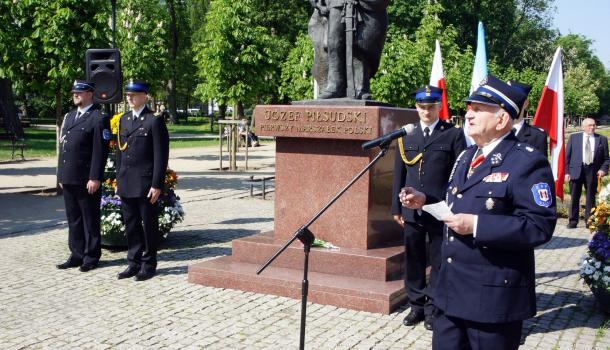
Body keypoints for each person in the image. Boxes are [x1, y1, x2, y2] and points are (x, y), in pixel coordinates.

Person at [400, 75, 556, 349]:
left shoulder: (527, 161)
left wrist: (477, 225)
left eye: (478, 108)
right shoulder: (467, 156)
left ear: (502, 119)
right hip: (449, 295)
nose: (468, 114)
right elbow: (460, 204)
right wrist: (426, 200)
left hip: (491, 300)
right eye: (469, 107)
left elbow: (539, 226)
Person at [391, 85, 466, 330]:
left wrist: (450, 206)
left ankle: (433, 308)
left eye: (431, 107)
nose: (426, 111)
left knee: (438, 260)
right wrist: (396, 207)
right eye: (422, 107)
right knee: (413, 259)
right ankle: (416, 306)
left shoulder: (453, 134)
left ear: (439, 107)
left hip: (438, 207)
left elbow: (458, 175)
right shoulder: (407, 134)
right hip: (411, 210)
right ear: (416, 107)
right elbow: (399, 175)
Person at [115, 80, 169, 281]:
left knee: (149, 225)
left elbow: (160, 156)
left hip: (146, 183)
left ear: (145, 96)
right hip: (127, 181)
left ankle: (149, 263)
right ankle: (133, 262)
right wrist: (118, 181)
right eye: (128, 95)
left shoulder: (153, 120)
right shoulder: (124, 119)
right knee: (131, 225)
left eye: (134, 95)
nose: (129, 98)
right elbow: (120, 154)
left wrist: (157, 184)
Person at [56, 80, 109, 272]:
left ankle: (91, 256)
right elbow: (64, 148)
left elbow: (99, 151)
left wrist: (95, 177)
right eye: (74, 92)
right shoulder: (69, 116)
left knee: (89, 219)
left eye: (79, 92)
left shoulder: (98, 118)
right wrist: (60, 175)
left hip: (86, 179)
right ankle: (76, 254)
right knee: (74, 219)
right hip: (69, 176)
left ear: (90, 94)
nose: (75, 95)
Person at [565, 117, 610, 228]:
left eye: (594, 125)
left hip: (593, 171)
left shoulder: (602, 139)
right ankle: (573, 221)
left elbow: (607, 159)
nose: (592, 127)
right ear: (583, 127)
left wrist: (603, 169)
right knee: (574, 196)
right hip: (576, 170)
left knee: (590, 197)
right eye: (590, 125)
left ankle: (589, 221)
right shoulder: (574, 138)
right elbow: (567, 157)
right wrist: (567, 172)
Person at [507, 80, 548, 156]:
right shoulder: (494, 130)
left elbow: (541, 166)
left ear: (526, 103)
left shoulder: (537, 136)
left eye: (514, 101)